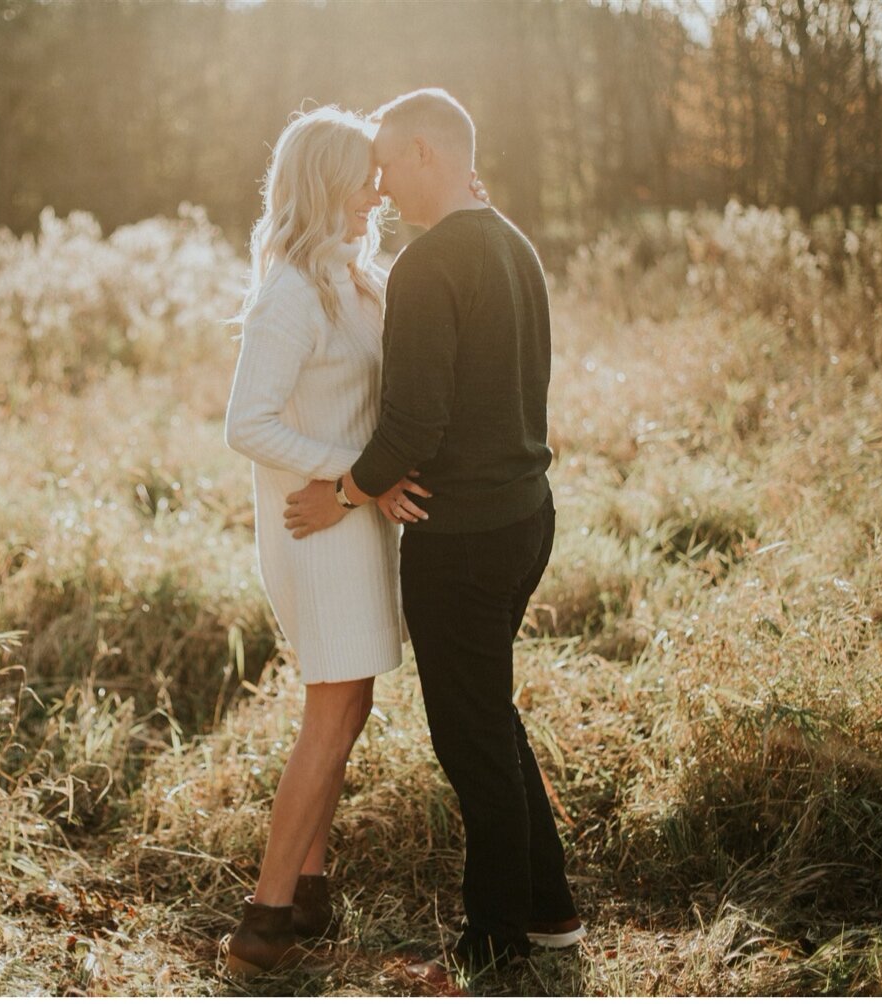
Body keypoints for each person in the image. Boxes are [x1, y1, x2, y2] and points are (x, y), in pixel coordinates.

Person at [283, 87, 584, 976]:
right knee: (489, 715)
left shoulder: (428, 264)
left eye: (384, 162)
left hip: (464, 537)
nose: (377, 183)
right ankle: (550, 910)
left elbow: (415, 423)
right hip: (529, 517)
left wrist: (345, 489)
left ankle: (494, 940)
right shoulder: (513, 243)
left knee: (469, 733)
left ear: (424, 152)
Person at [221, 104, 431, 976]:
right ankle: (263, 921)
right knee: (332, 712)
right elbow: (247, 424)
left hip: (350, 519)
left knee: (350, 707)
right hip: (317, 525)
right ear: (321, 183)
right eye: (362, 178)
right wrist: (356, 474)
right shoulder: (290, 294)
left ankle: (310, 890)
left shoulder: (353, 275)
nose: (376, 193)